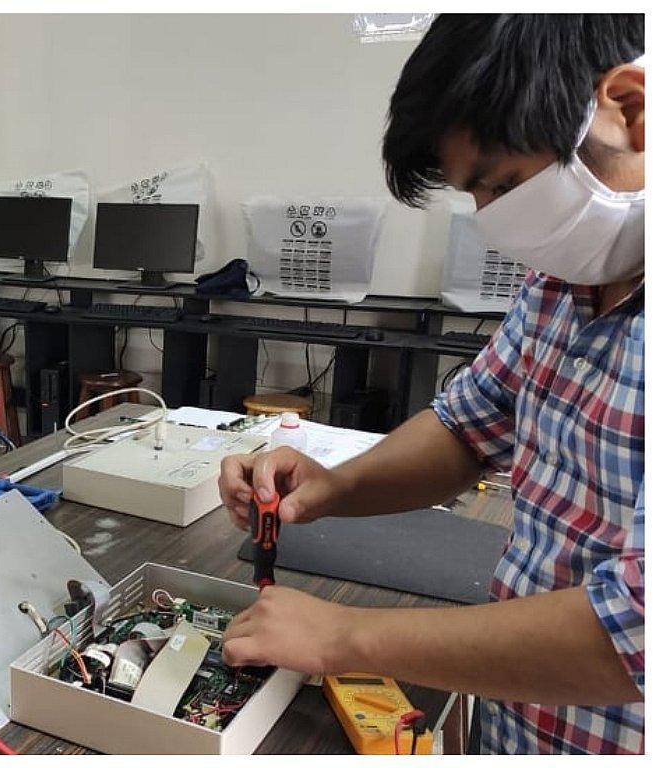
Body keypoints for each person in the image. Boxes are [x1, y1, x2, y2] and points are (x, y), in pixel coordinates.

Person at [218, 15, 643, 754]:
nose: (492, 219)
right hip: (515, 723)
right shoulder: (560, 283)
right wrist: (333, 486)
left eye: (504, 184)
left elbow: (635, 631)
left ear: (629, 108)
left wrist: (344, 636)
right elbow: (467, 427)